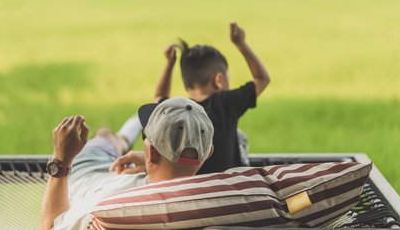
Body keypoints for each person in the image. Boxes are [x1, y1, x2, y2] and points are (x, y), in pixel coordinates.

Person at [40, 96, 214, 230]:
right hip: (130, 171)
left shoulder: (108, 204)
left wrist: (60, 161)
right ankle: (123, 138)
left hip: (87, 174)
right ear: (208, 153)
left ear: (151, 151)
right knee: (113, 144)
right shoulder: (214, 199)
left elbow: (51, 226)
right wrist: (149, 166)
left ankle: (124, 136)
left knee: (104, 135)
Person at [154, 22, 270, 174]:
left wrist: (169, 64)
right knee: (240, 135)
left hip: (191, 188)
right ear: (218, 80)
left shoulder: (176, 110)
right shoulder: (225, 104)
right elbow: (262, 79)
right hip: (227, 188)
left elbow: (159, 97)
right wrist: (241, 43)